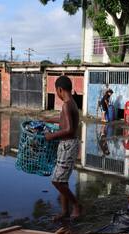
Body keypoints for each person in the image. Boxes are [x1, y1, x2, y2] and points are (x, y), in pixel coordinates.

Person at [45, 75, 81, 220]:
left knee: (57, 181)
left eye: (56, 92)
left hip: (68, 146)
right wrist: (47, 119)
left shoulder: (66, 104)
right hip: (67, 145)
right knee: (63, 180)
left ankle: (77, 205)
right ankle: (64, 211)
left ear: (59, 90)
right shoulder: (71, 102)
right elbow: (64, 121)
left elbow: (69, 129)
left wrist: (50, 136)